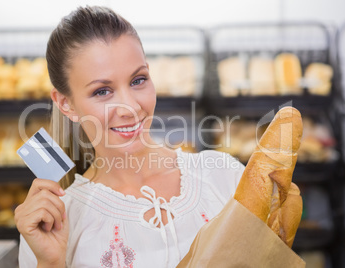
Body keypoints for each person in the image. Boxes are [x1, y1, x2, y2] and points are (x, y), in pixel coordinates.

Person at [15, 5, 245, 268]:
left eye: (138, 80)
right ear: (66, 104)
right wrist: (51, 262)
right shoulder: (53, 223)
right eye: (102, 91)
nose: (131, 107)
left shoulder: (225, 177)